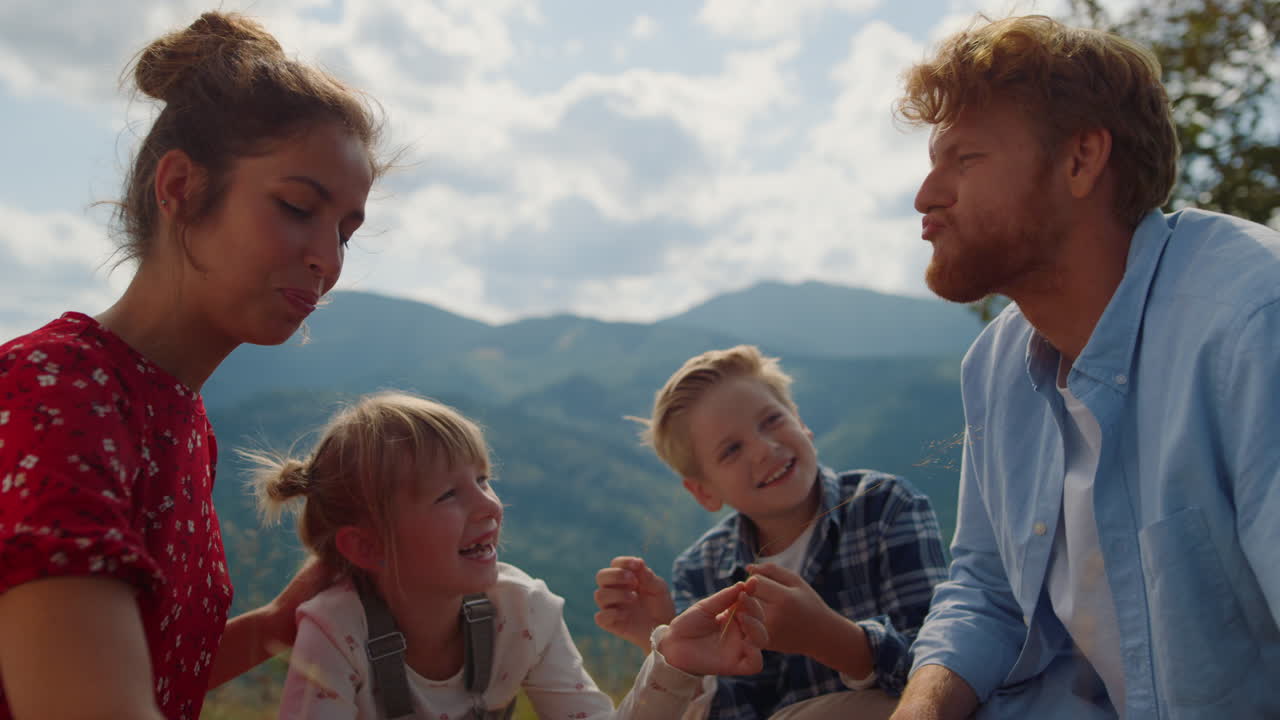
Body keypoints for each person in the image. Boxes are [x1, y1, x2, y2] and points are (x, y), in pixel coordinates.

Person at [891, 14, 1280, 720]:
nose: (926, 196)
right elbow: (985, 591)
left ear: (1080, 161)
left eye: (965, 159)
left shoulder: (1252, 323)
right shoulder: (998, 362)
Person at [0, 11, 386, 720]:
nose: (328, 260)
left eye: (346, 232)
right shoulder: (53, 391)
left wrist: (274, 627)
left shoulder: (174, 414)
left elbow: (147, 674)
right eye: (298, 207)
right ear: (179, 187)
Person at [250, 391, 768, 719]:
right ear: (368, 546)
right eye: (447, 495)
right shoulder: (335, 634)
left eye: (482, 479)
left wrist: (673, 661)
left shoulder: (523, 612)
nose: (489, 506)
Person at [592, 345, 948, 719]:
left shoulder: (883, 507)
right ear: (704, 492)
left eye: (772, 421)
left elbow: (944, 666)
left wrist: (831, 638)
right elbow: (733, 712)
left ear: (801, 421)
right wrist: (666, 642)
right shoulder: (702, 570)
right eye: (731, 450)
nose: (764, 449)